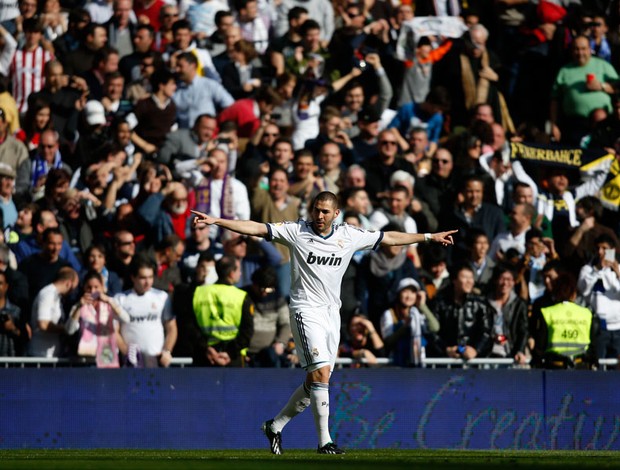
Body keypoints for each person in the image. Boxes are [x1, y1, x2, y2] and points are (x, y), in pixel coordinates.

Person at [191, 190, 457, 454]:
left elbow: (389, 238)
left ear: (336, 214)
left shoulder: (348, 235)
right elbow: (257, 228)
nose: (319, 215)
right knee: (320, 374)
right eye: (316, 209)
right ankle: (324, 442)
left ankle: (275, 425)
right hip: (305, 310)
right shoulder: (297, 231)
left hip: (332, 314)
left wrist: (429, 237)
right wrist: (217, 221)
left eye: (325, 211)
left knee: (317, 380)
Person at [113, 258, 177, 368]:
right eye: (143, 278)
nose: (147, 282)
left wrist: (166, 351)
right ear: (133, 277)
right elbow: (114, 330)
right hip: (131, 363)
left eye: (150, 277)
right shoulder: (120, 299)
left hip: (157, 360)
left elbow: (171, 328)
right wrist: (126, 352)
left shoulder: (162, 297)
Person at [65, 270, 130, 366]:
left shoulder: (110, 304)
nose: (92, 291)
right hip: (86, 360)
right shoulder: (78, 306)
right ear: (84, 288)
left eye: (96, 287)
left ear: (103, 288)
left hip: (108, 357)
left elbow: (126, 319)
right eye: (89, 287)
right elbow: (69, 330)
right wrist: (79, 307)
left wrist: (109, 301)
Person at [380, 277, 439, 367]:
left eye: (413, 292)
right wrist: (405, 326)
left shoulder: (419, 313)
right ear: (399, 294)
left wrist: (422, 306)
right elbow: (388, 341)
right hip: (398, 364)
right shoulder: (389, 314)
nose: (409, 296)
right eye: (405, 292)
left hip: (420, 362)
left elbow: (435, 327)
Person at [244, 265, 292, 368]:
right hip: (245, 353)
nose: (264, 293)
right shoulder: (243, 295)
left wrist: (280, 343)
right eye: (261, 288)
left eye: (268, 289)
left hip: (269, 354)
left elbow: (285, 323)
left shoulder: (278, 298)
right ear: (254, 283)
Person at [28, 266, 79, 357]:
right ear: (68, 283)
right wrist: (65, 329)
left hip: (50, 353)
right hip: (40, 354)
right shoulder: (48, 294)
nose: (73, 291)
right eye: (74, 287)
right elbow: (43, 324)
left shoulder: (56, 296)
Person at [486, 265, 529, 365]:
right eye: (502, 279)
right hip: (488, 354)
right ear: (496, 280)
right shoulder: (485, 302)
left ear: (514, 282)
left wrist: (520, 350)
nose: (505, 283)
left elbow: (523, 330)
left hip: (511, 353)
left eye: (509, 279)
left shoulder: (519, 304)